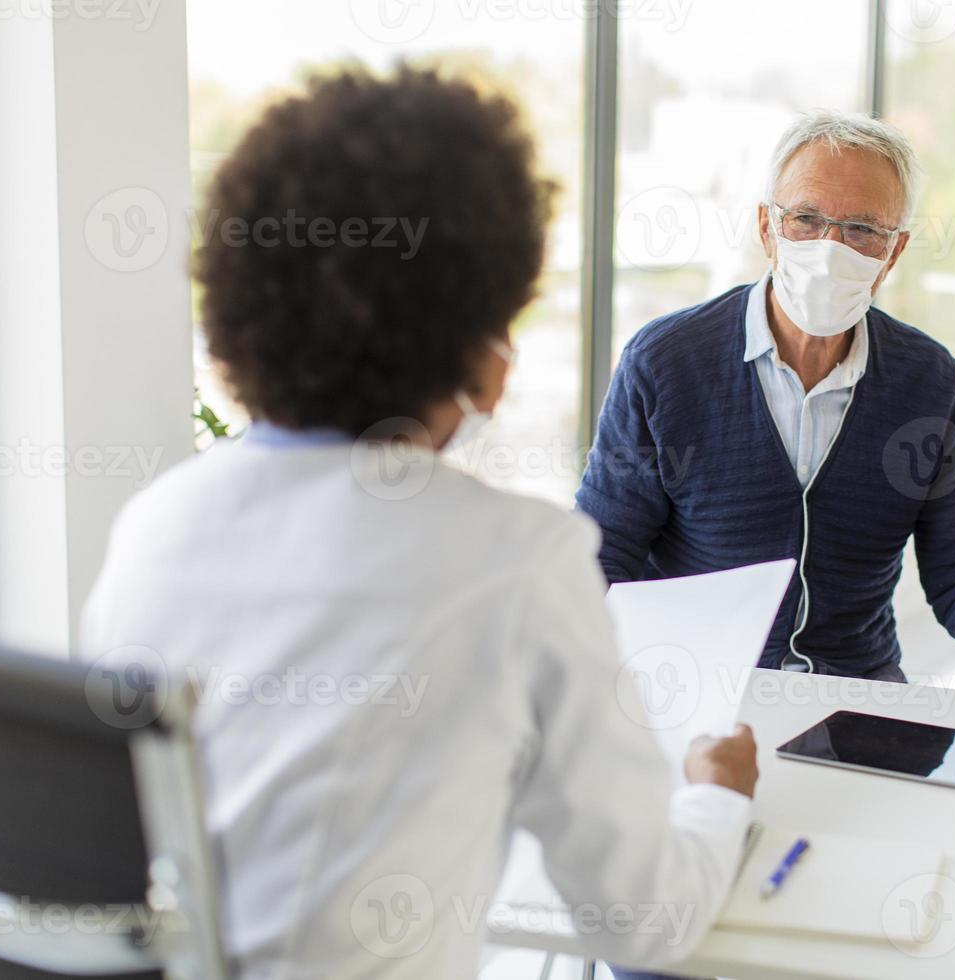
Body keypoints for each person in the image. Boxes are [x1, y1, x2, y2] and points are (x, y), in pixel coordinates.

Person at [80, 68, 762, 977]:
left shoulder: (157, 524)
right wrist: (717, 798)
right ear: (481, 355)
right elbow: (640, 922)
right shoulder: (517, 560)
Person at [576, 111, 955, 695]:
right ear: (766, 228)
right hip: (698, 691)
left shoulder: (929, 381)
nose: (830, 248)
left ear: (894, 252)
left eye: (861, 229)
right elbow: (604, 555)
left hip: (860, 694)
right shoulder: (667, 363)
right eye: (805, 218)